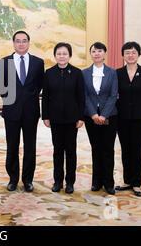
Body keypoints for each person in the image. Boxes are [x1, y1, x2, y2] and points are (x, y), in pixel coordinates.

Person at [0, 31, 44, 192]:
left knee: (30, 146)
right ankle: (13, 179)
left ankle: (28, 180)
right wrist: (13, 101)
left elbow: (39, 85)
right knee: (12, 146)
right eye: (18, 41)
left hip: (31, 111)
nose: (21, 44)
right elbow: (2, 87)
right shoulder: (4, 62)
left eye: (24, 41)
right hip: (12, 111)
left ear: (29, 43)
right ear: (13, 43)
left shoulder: (38, 63)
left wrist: (27, 97)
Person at [42, 42, 85, 194]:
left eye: (64, 53)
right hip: (55, 118)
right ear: (55, 56)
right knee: (57, 151)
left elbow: (81, 97)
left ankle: (70, 182)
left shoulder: (77, 73)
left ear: (70, 56)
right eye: (59, 53)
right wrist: (45, 116)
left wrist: (81, 117)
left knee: (71, 151)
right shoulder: (49, 73)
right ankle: (58, 181)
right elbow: (45, 97)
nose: (62, 56)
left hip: (72, 119)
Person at [115, 41, 141, 197]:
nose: (130, 55)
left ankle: (136, 183)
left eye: (133, 52)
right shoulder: (117, 73)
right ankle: (127, 181)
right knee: (125, 150)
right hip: (122, 117)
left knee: (137, 150)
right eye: (127, 52)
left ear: (138, 54)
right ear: (123, 55)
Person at [82, 42, 118, 195]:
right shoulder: (84, 73)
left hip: (110, 115)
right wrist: (93, 114)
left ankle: (109, 183)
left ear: (105, 54)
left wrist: (103, 114)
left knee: (108, 149)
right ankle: (96, 181)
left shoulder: (112, 73)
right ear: (90, 54)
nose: (96, 53)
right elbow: (84, 96)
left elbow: (113, 95)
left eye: (100, 51)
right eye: (94, 51)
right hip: (91, 116)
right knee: (96, 148)